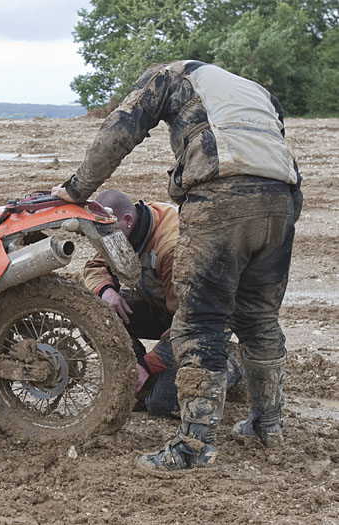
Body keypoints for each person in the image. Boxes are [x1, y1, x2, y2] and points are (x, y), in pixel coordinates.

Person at [53, 60, 302, 474]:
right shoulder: (251, 88)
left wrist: (75, 189)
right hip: (282, 196)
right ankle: (267, 423)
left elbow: (120, 130)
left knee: (201, 322)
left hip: (222, 193)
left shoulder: (168, 77)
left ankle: (193, 446)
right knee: (259, 318)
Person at [83, 189, 241, 417]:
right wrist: (106, 290)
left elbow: (189, 323)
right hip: (165, 306)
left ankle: (233, 362)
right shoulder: (123, 229)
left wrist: (148, 365)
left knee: (163, 402)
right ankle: (139, 380)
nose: (103, 240)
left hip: (202, 323)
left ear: (127, 221)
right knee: (96, 316)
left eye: (106, 232)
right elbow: (94, 266)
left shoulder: (173, 248)